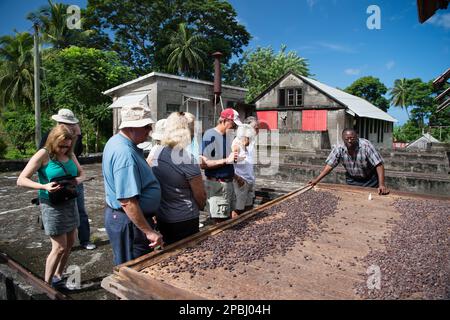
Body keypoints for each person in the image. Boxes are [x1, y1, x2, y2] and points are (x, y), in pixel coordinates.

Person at [17, 125, 85, 288]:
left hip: (69, 201)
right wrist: (44, 186)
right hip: (52, 205)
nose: (64, 150)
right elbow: (21, 180)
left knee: (70, 243)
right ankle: (46, 285)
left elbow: (82, 174)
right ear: (53, 141)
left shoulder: (70, 153)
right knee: (59, 247)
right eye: (61, 146)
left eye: (67, 146)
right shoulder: (43, 154)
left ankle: (58, 276)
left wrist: (75, 181)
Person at [102, 103, 163, 265]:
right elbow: (127, 201)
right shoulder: (125, 153)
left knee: (130, 265)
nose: (149, 131)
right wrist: (148, 231)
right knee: (133, 268)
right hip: (129, 223)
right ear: (132, 127)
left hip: (127, 219)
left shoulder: (118, 142)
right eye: (146, 127)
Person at [39, 109, 96, 250]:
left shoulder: (73, 136)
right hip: (56, 180)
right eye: (65, 123)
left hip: (72, 179)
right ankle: (59, 242)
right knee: (57, 210)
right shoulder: (49, 135)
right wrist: (45, 184)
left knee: (80, 210)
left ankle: (84, 240)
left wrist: (79, 134)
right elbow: (43, 157)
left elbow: (77, 152)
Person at [152, 112, 206, 245]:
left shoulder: (157, 152)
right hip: (184, 219)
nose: (194, 133)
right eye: (192, 129)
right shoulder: (186, 158)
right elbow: (200, 195)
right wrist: (202, 204)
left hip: (163, 216)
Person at [308, 128, 390, 195]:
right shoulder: (339, 148)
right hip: (352, 180)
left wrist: (381, 185)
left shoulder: (366, 145)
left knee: (370, 200)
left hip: (369, 180)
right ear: (343, 139)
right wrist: (316, 180)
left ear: (356, 137)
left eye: (352, 138)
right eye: (347, 139)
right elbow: (330, 166)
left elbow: (379, 164)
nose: (349, 141)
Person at [200, 108, 241, 223]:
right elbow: (203, 164)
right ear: (225, 120)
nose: (234, 127)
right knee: (219, 221)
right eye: (233, 124)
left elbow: (226, 158)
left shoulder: (227, 136)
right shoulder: (210, 135)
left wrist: (233, 156)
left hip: (227, 183)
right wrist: (227, 160)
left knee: (229, 218)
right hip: (217, 185)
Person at [231, 124, 256, 218]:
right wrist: (237, 178)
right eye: (249, 138)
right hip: (241, 181)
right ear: (244, 137)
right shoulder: (236, 146)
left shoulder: (247, 145)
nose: (250, 141)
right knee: (238, 208)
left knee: (249, 207)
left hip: (250, 179)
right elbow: (229, 163)